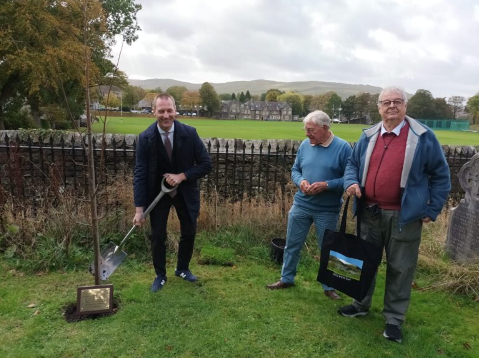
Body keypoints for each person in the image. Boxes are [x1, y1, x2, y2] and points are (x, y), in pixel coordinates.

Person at [339, 86, 450, 343]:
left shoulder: (423, 136)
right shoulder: (369, 135)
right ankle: (360, 304)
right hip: (369, 213)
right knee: (365, 262)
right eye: (386, 102)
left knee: (401, 268)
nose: (391, 106)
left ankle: (394, 320)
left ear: (405, 106)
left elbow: (441, 176)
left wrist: (432, 209)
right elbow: (352, 165)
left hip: (404, 217)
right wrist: (350, 183)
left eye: (397, 102)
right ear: (378, 107)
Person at [267, 110, 352, 300]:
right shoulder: (306, 145)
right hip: (301, 204)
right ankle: (286, 278)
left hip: (327, 210)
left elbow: (350, 178)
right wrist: (301, 182)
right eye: (306, 129)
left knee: (328, 249)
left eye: (310, 130)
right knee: (292, 244)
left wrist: (327, 185)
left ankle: (328, 286)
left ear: (325, 128)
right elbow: (295, 169)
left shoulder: (343, 148)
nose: (307, 134)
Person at [133, 93, 212, 292]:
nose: (166, 115)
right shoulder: (145, 138)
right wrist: (139, 210)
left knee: (189, 231)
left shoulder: (190, 133)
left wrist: (182, 176)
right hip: (157, 195)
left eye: (169, 110)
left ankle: (182, 269)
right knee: (158, 235)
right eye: (161, 111)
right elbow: (140, 175)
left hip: (185, 192)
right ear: (154, 112)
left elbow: (206, 164)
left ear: (175, 110)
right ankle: (160, 275)